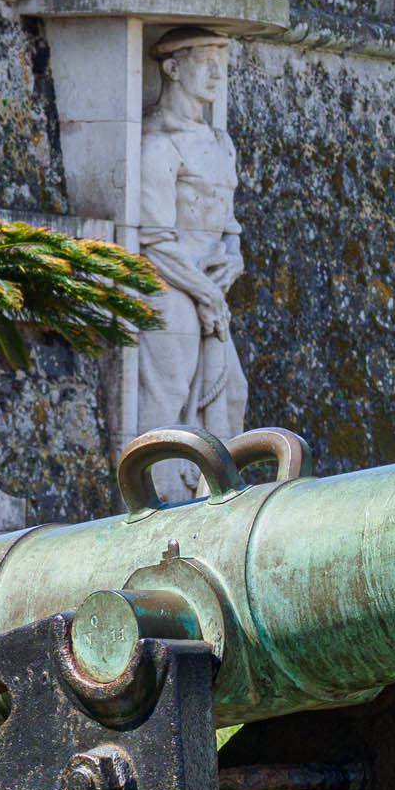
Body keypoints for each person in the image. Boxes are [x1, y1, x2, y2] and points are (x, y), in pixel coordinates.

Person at [134, 26, 249, 496]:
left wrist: (233, 261)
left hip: (210, 287)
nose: (216, 72)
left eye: (221, 59)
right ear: (173, 67)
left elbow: (229, 226)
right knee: (169, 395)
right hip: (171, 282)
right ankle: (157, 501)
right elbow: (155, 240)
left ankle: (214, 498)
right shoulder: (157, 143)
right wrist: (203, 294)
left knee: (233, 391)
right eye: (204, 59)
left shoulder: (220, 143)